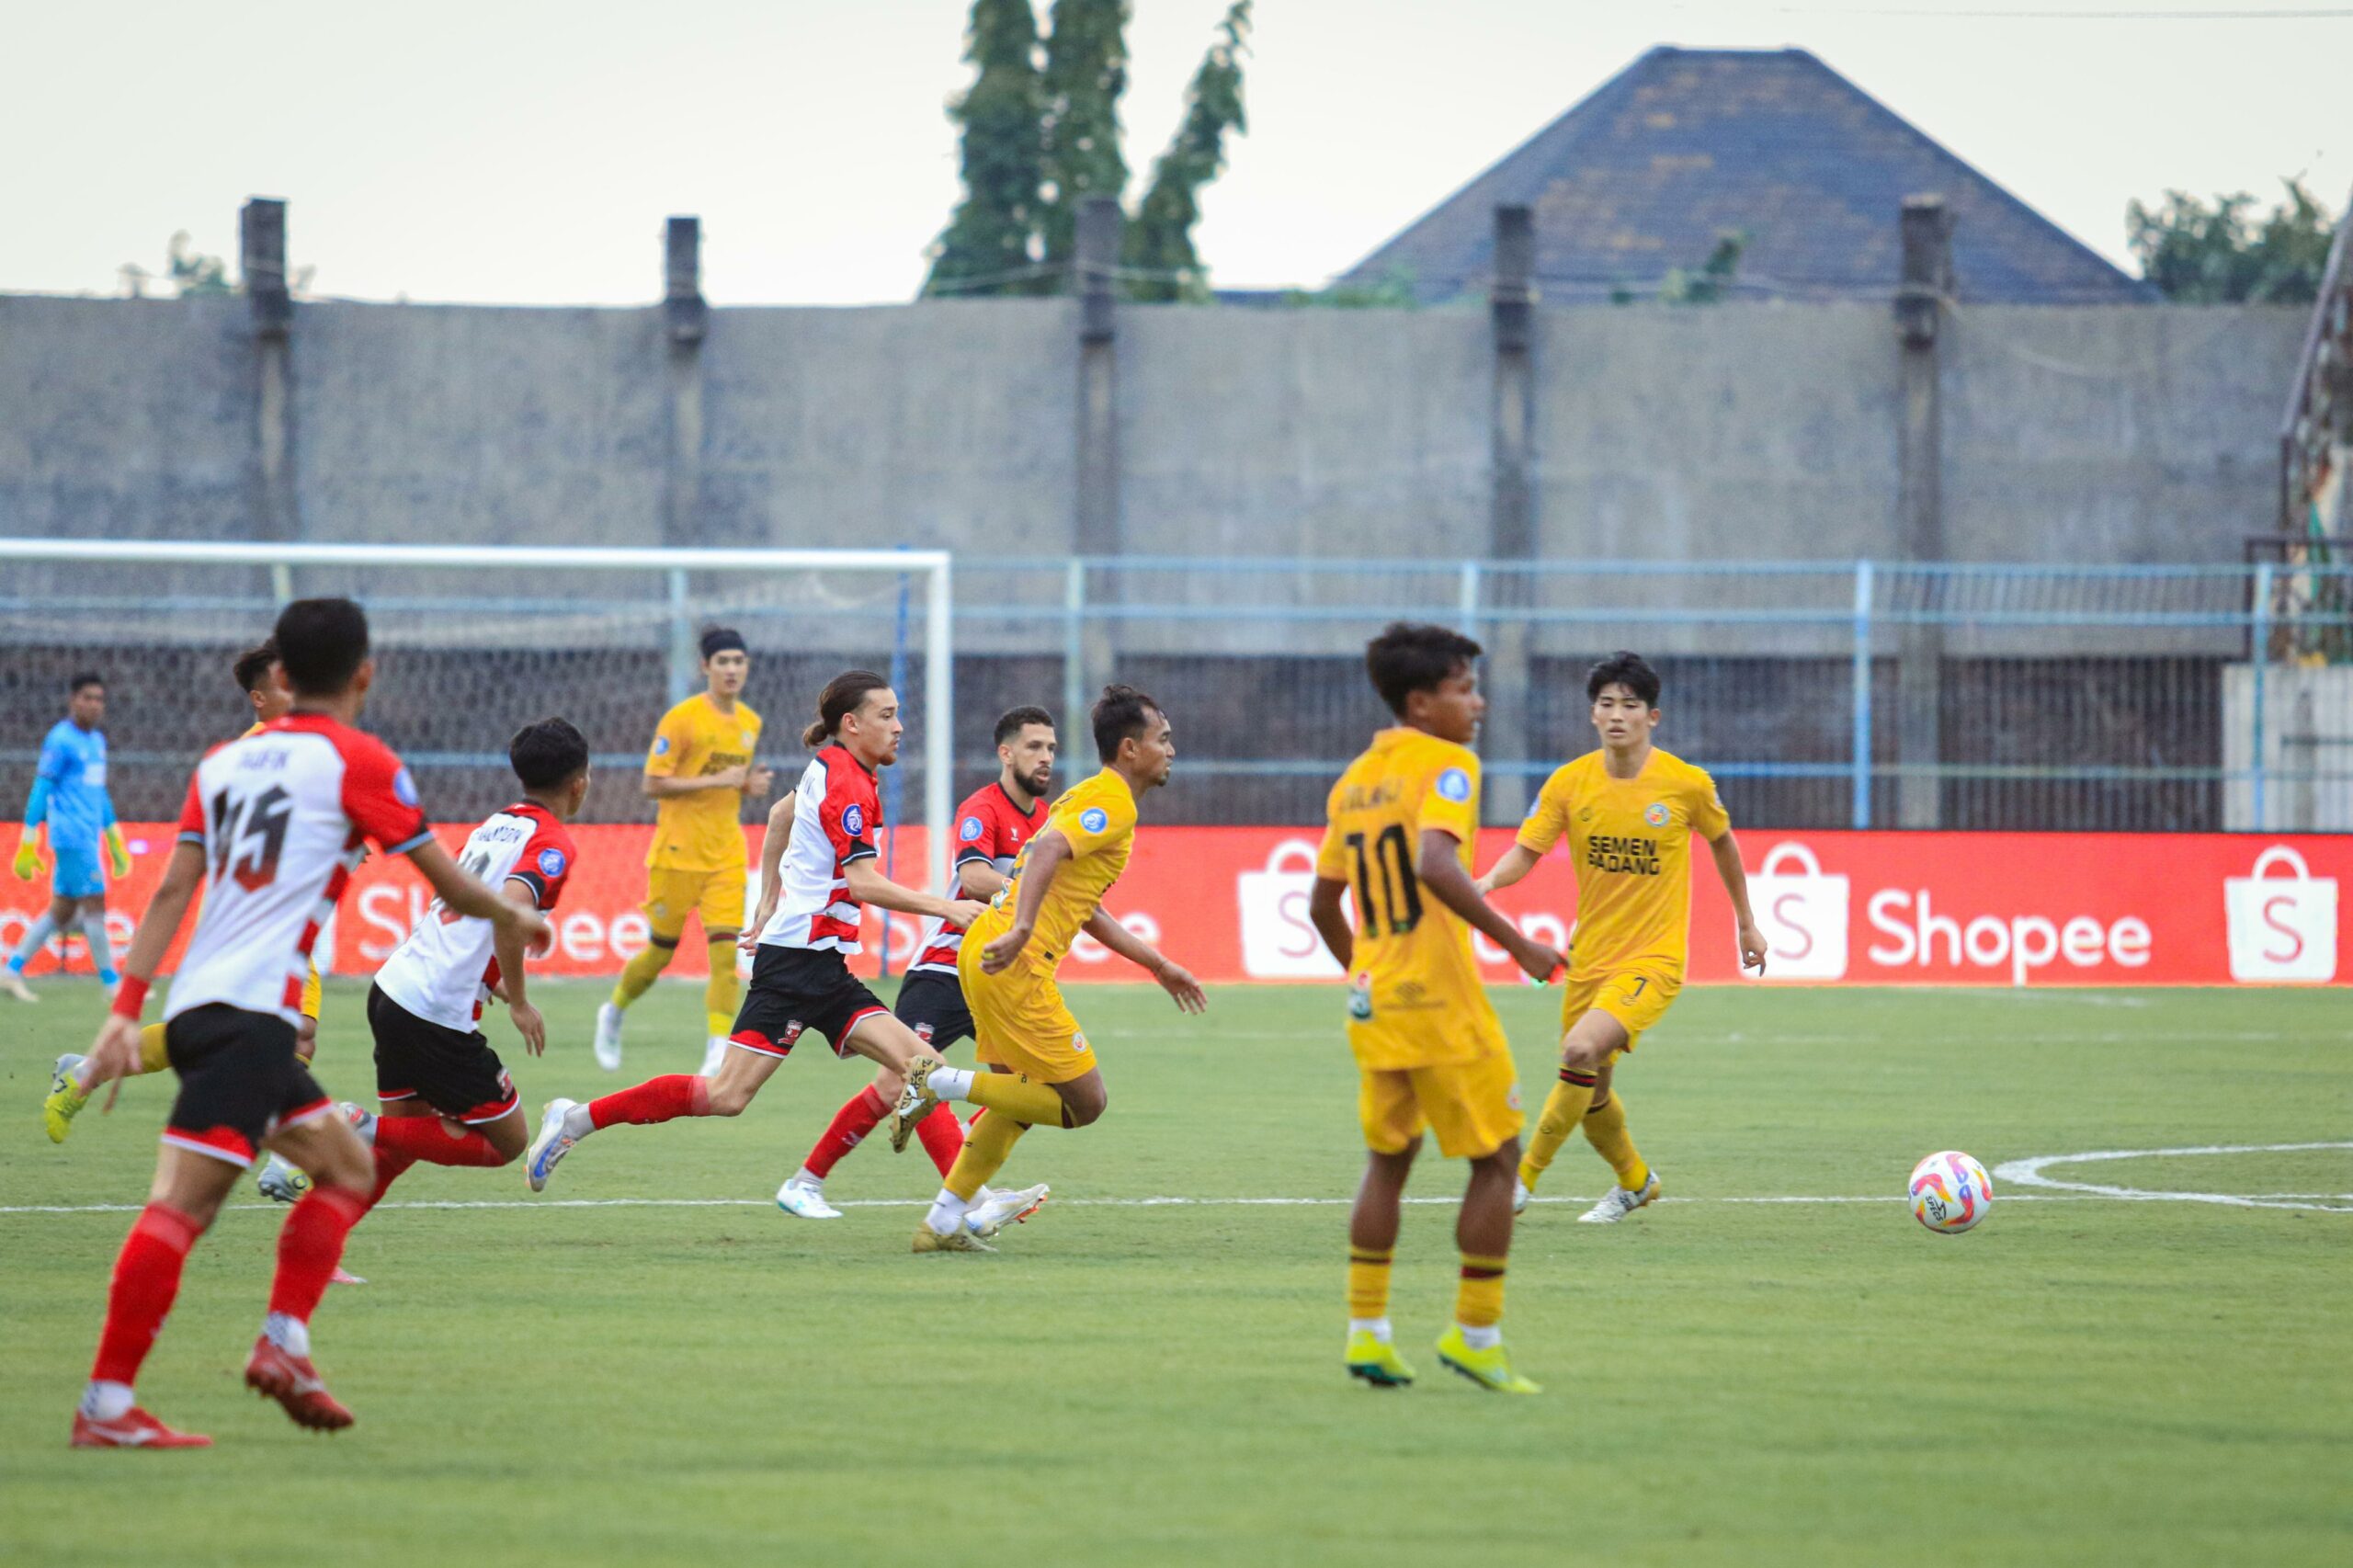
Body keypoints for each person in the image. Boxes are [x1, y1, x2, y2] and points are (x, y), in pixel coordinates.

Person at [69, 597, 545, 1447]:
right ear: (364, 673)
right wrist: (522, 922)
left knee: (348, 1168)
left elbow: (174, 889)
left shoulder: (222, 764)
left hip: (200, 1003)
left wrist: (125, 1009)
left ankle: (282, 1343)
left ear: (280, 676)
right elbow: (448, 884)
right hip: (254, 1016)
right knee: (181, 1208)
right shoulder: (359, 761)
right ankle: (113, 1402)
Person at [526, 671, 981, 1196]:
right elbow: (862, 882)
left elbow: (780, 813)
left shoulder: (835, 765)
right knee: (728, 1095)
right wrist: (946, 906)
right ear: (852, 724)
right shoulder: (847, 782)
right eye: (887, 715)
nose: (900, 727)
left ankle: (965, 1204)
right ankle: (576, 1119)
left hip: (819, 963)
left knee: (922, 1066)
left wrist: (769, 899)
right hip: (797, 965)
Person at [1305, 623, 1565, 1395]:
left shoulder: (1353, 780)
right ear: (1421, 703)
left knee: (1389, 1159)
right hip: (1442, 999)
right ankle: (1476, 1333)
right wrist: (1519, 944)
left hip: (1375, 999)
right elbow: (1433, 859)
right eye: (1462, 689)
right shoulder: (1449, 764)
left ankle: (1368, 1335)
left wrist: (1364, 970)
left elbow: (1321, 904)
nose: (1477, 704)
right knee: (1498, 1158)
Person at [889, 685, 1207, 1255]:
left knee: (1014, 1103)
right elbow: (1048, 851)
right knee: (1085, 1103)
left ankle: (939, 1225)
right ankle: (934, 1079)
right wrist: (1022, 929)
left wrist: (1158, 964)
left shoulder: (1094, 798)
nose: (1172, 750)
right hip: (1013, 961)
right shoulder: (1111, 800)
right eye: (1164, 739)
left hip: (987, 952)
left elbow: (1089, 911)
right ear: (1131, 748)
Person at [1477, 650, 1767, 1222]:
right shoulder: (1569, 783)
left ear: (1651, 717)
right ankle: (1636, 1182)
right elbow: (1527, 851)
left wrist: (1747, 922)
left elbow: (1724, 842)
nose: (1616, 715)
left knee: (1578, 1050)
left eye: (1629, 705)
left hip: (1653, 960)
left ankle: (1520, 1180)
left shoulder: (1685, 785)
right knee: (1592, 1092)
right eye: (1606, 704)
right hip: (1590, 960)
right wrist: (1484, 881)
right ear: (1592, 715)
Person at [774, 705, 1057, 1232]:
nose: (1045, 758)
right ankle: (814, 1184)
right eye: (1035, 746)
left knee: (1031, 1087)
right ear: (1007, 752)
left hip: (1005, 975)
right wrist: (1040, 894)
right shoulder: (983, 809)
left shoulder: (1043, 823)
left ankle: (967, 1187)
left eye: (1051, 749)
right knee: (906, 1082)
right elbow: (974, 879)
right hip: (947, 971)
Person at [44, 643, 330, 1148]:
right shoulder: (279, 747)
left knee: (245, 1032)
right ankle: (280, 1149)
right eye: (287, 683)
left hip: (268, 916)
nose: (300, 690)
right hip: (267, 921)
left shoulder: (269, 748)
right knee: (288, 1031)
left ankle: (87, 1071)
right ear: (261, 698)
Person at [343, 718, 588, 1218]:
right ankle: (349, 1121)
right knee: (507, 1140)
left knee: (403, 1141)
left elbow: (462, 917)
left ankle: (322, 1250)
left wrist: (497, 984)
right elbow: (511, 912)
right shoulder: (552, 843)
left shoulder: (494, 826)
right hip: (435, 1010)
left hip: (394, 987)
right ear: (579, 783)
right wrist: (518, 1002)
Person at [595, 627, 770, 1078]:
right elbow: (652, 783)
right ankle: (614, 1010)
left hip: (727, 855)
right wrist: (720, 781)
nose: (732, 669)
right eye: (723, 662)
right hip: (676, 854)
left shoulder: (750, 724)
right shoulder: (683, 719)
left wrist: (747, 786)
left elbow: (732, 784)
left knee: (726, 956)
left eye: (739, 661)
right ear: (705, 668)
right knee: (659, 954)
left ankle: (716, 1049)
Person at [6, 672, 129, 1001]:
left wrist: (114, 837)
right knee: (95, 906)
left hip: (89, 835)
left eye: (99, 699)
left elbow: (98, 793)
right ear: (73, 700)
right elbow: (41, 787)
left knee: (60, 912)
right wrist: (28, 838)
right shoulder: (61, 740)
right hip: (71, 836)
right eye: (87, 697)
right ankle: (113, 985)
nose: (93, 704)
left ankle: (11, 970)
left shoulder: (97, 742)